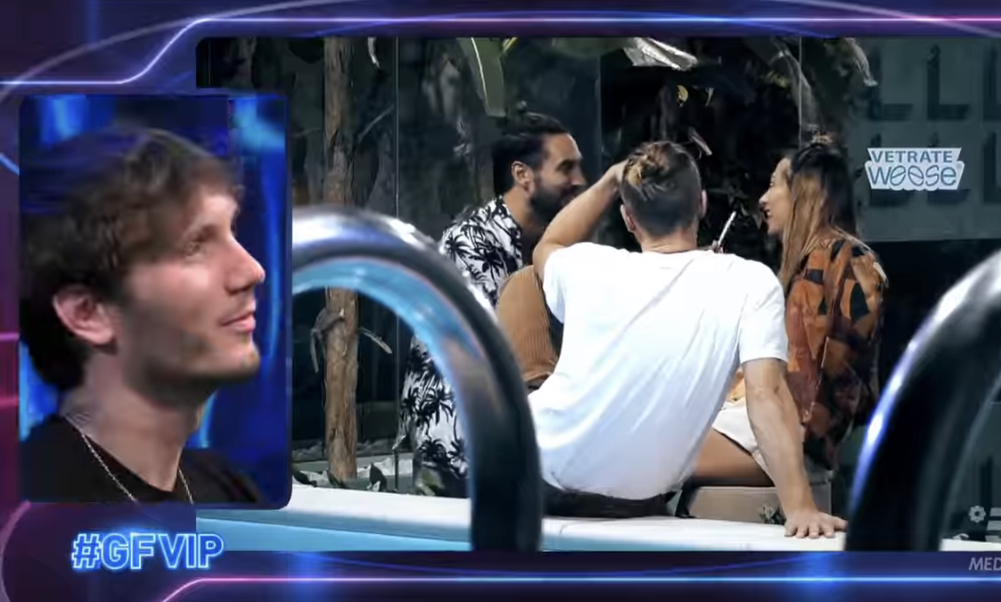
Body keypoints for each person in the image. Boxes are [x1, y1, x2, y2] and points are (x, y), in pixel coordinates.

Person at [529, 140, 845, 537]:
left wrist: (610, 180)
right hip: (627, 500)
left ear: (628, 218)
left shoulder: (588, 266)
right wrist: (799, 507)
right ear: (701, 204)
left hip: (529, 468)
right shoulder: (747, 282)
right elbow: (765, 395)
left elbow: (548, 245)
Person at [19, 127, 267, 503]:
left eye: (231, 231)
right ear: (89, 313)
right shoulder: (28, 509)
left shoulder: (225, 486)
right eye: (195, 245)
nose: (252, 271)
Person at [399, 110, 586, 497]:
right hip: (460, 449)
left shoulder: (548, 245)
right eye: (566, 168)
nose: (579, 181)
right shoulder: (470, 243)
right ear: (523, 175)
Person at [712, 140, 887, 483]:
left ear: (804, 191)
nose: (763, 199)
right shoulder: (814, 266)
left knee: (657, 453)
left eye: (774, 184)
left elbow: (820, 380)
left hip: (786, 434)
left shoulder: (848, 260)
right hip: (775, 425)